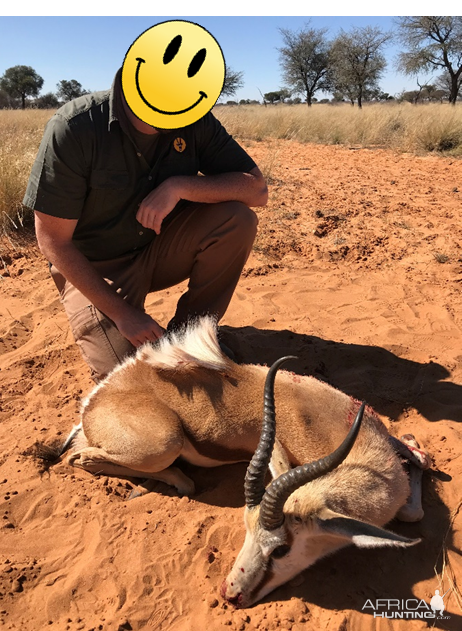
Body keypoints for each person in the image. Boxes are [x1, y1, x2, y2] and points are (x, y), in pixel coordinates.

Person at [23, 68, 267, 381]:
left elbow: (256, 189)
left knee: (238, 220)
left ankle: (191, 336)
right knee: (130, 379)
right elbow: (53, 240)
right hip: (96, 268)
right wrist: (123, 315)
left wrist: (179, 186)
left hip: (159, 248)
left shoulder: (191, 117)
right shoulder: (74, 128)